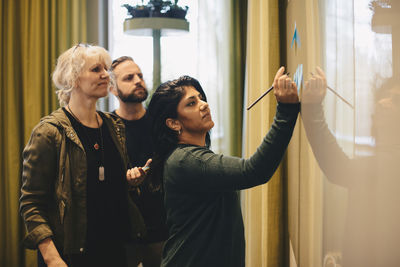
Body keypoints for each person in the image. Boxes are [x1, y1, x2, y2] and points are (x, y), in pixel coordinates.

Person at [146, 67, 300, 267]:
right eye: (191, 103)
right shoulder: (186, 160)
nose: (204, 105)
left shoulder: (188, 157)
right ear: (174, 123)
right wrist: (286, 110)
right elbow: (254, 171)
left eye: (201, 98)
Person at [19, 44, 146, 267]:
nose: (106, 74)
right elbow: (31, 203)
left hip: (115, 250)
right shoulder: (49, 132)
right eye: (96, 69)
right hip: (70, 254)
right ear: (73, 78)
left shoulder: (114, 126)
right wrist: (52, 258)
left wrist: (129, 181)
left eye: (106, 69)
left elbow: (103, 186)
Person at [302, 67, 400, 266]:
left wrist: (312, 107)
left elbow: (338, 168)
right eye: (384, 97)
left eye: (395, 100)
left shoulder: (391, 163)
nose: (382, 102)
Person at [110, 56, 168, 267]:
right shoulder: (107, 128)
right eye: (129, 78)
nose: (138, 80)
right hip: (122, 233)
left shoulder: (161, 124)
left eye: (140, 76)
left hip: (163, 230)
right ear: (112, 89)